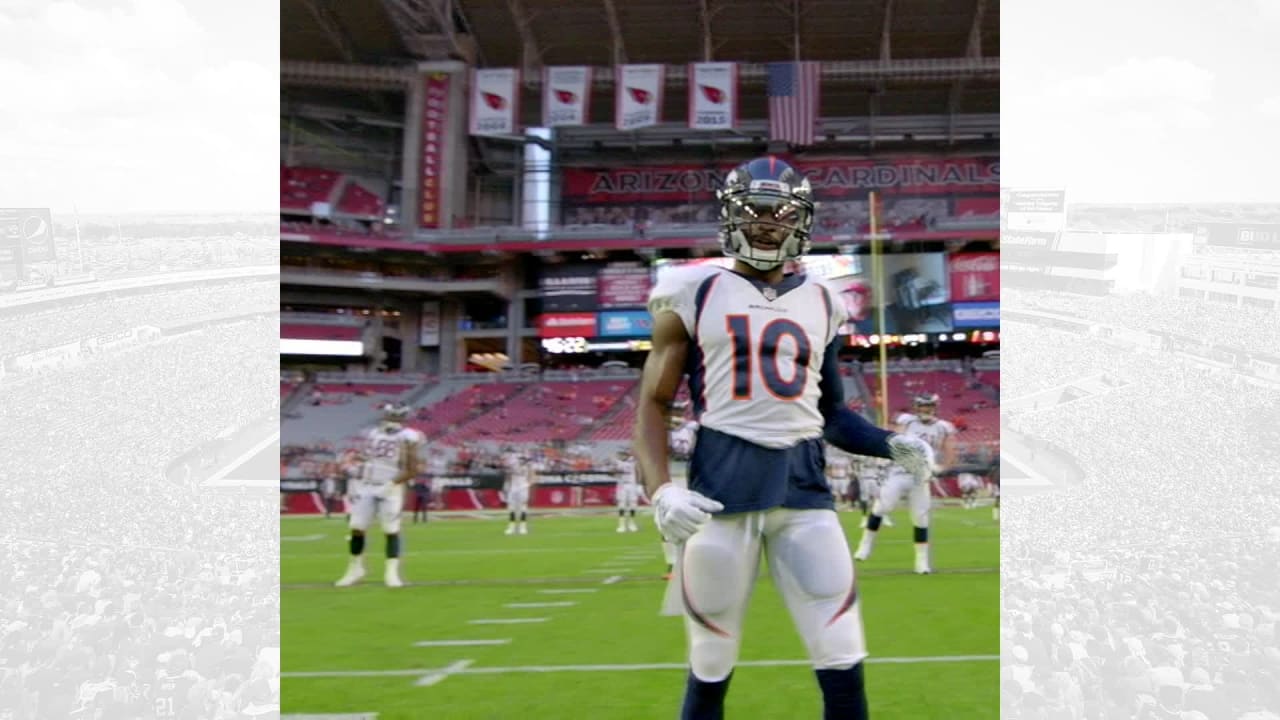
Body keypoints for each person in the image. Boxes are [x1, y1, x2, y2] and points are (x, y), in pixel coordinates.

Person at [632, 156, 935, 720]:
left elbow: (835, 415)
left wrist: (891, 442)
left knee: (843, 654)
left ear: (802, 220)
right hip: (719, 496)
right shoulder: (692, 289)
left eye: (781, 212)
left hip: (805, 493)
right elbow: (652, 403)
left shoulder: (824, 300)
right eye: (754, 211)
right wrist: (661, 490)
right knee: (711, 659)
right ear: (729, 216)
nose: (768, 223)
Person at [853, 393, 955, 574]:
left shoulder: (942, 427)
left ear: (935, 407)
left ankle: (921, 562)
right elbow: (895, 440)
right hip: (899, 472)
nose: (926, 410)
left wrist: (941, 467)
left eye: (929, 406)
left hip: (920, 477)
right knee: (883, 506)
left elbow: (949, 452)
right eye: (923, 406)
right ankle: (865, 544)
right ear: (916, 407)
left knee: (921, 517)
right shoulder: (907, 421)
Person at [335, 403, 423, 588]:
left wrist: (392, 484)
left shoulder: (408, 437)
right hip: (367, 485)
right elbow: (370, 459)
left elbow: (413, 469)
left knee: (390, 530)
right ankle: (356, 569)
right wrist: (357, 464)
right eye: (390, 416)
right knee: (357, 527)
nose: (391, 420)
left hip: (390, 487)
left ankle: (391, 572)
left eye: (395, 417)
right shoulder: (373, 434)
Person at [504, 449, 537, 535]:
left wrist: (528, 485)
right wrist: (507, 486)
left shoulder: (529, 466)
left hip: (523, 488)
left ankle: (523, 526)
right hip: (513, 488)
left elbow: (533, 477)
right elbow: (508, 476)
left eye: (523, 459)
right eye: (520, 458)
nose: (522, 460)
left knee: (523, 507)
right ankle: (511, 526)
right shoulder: (513, 465)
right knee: (511, 507)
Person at [614, 449, 643, 532]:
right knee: (621, 505)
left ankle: (632, 523)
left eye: (624, 454)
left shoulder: (633, 462)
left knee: (633, 505)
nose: (622, 456)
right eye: (621, 455)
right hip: (622, 485)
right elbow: (614, 473)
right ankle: (621, 525)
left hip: (632, 485)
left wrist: (639, 485)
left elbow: (638, 471)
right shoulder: (618, 463)